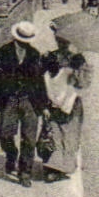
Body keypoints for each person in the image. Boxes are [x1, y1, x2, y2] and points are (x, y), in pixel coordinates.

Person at [0, 20, 48, 187]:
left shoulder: (34, 54)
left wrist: (44, 105)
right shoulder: (4, 52)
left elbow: (39, 81)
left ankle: (24, 172)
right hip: (9, 99)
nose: (24, 43)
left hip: (30, 100)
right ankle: (11, 154)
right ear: (16, 38)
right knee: (5, 135)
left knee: (29, 139)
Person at [37, 44, 88, 182]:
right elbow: (43, 93)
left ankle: (61, 168)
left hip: (71, 108)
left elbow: (77, 86)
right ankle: (52, 168)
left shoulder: (67, 73)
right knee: (54, 137)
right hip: (54, 109)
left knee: (69, 138)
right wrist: (45, 108)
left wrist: (79, 62)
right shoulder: (45, 77)